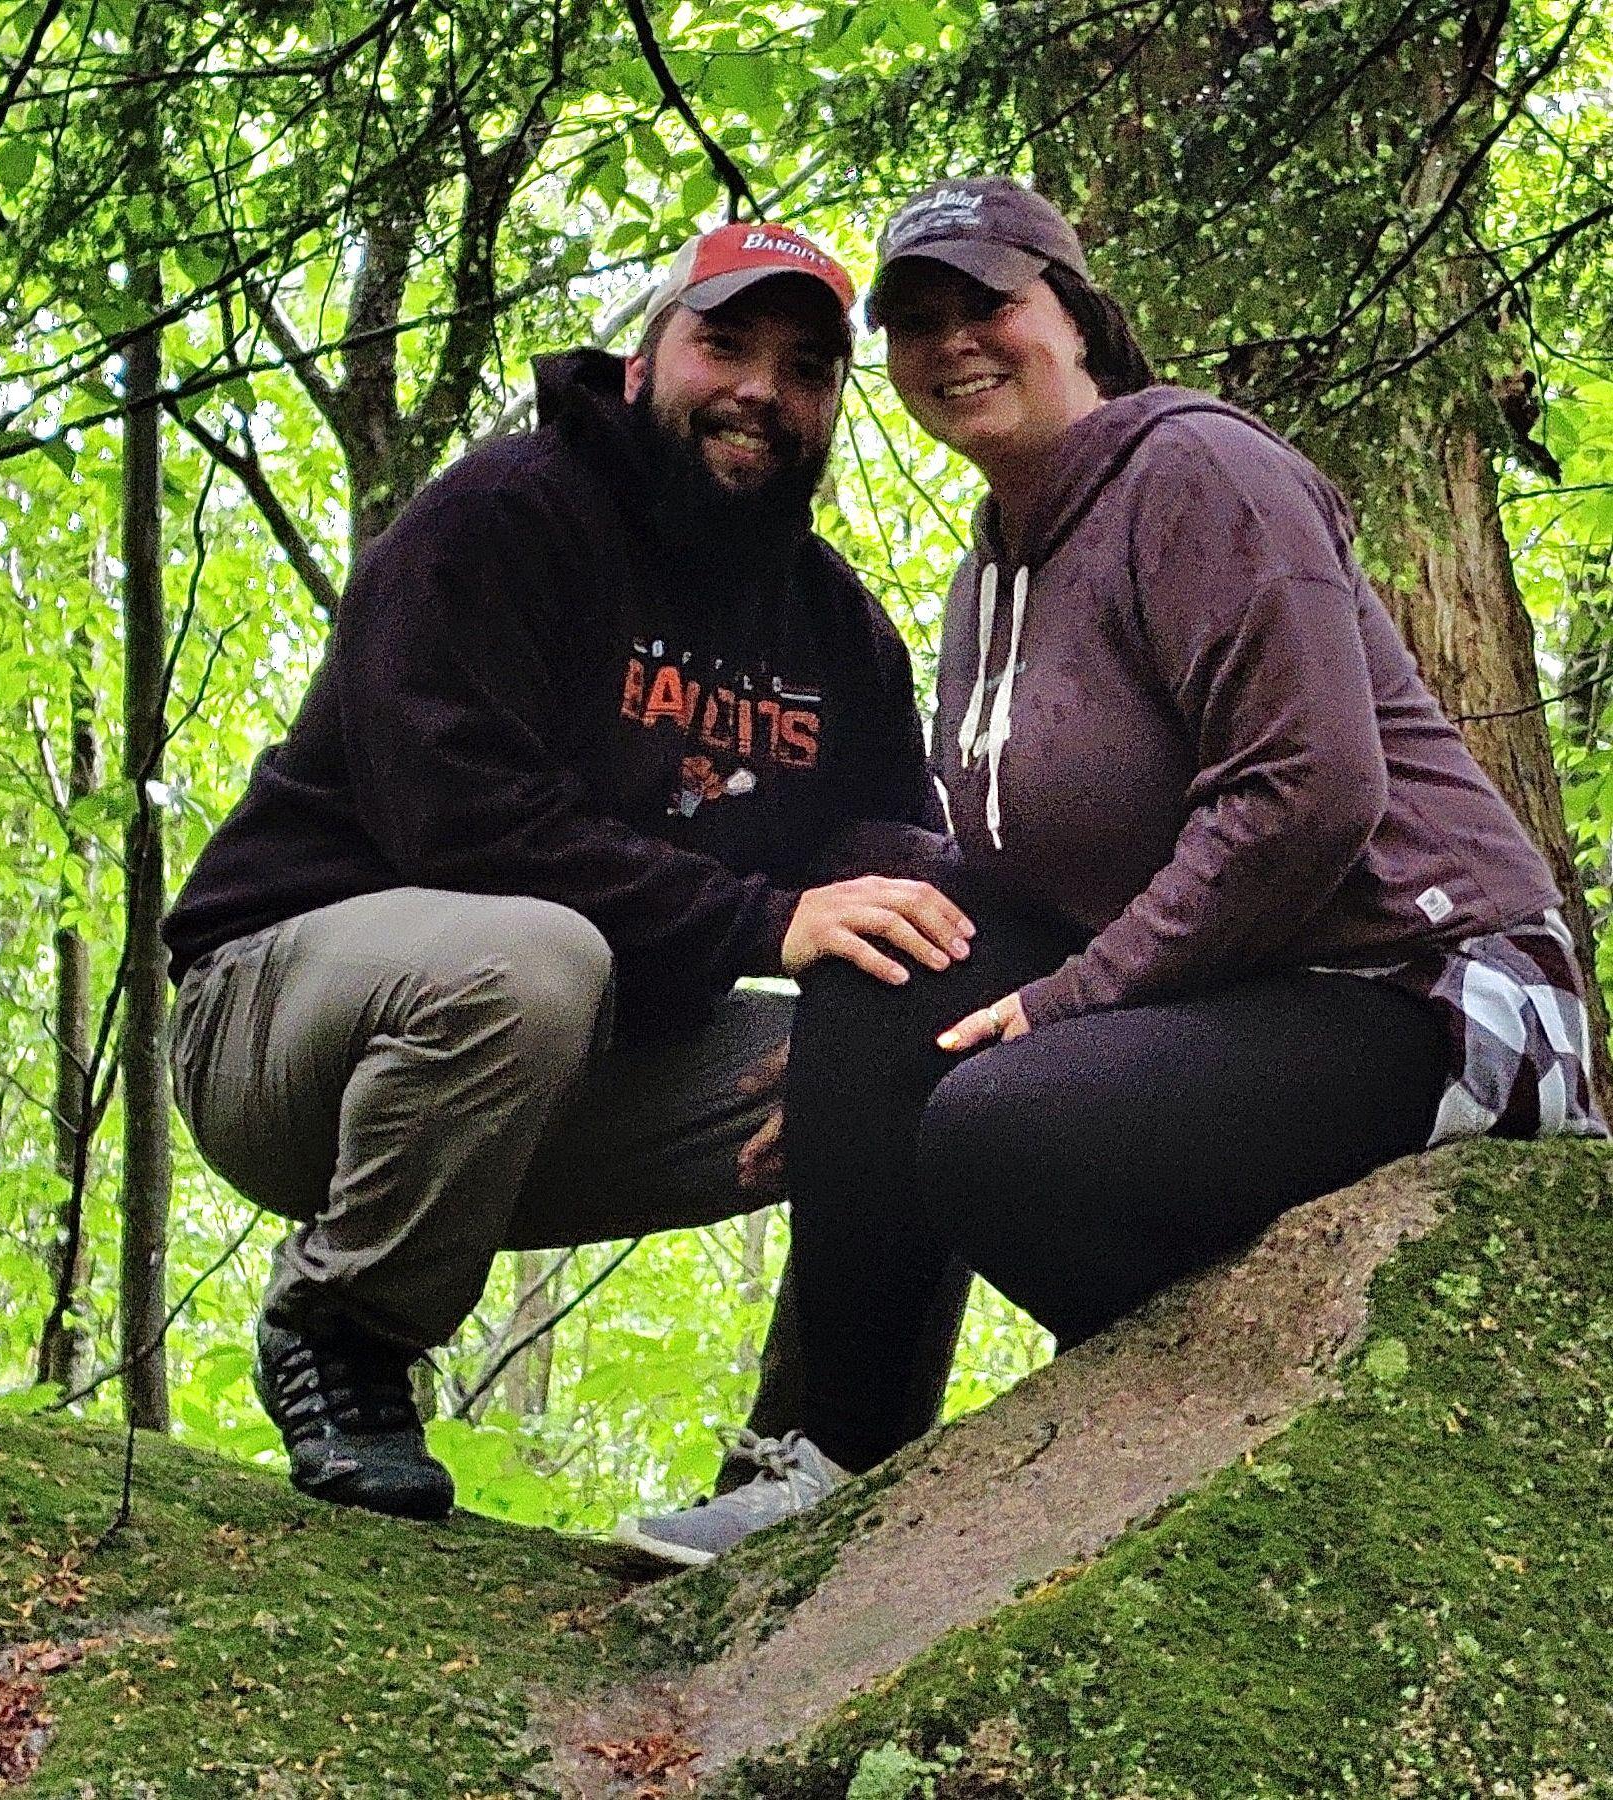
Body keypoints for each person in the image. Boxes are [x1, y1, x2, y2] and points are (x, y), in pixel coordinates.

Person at [617, 177, 1606, 1566]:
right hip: (1245, 994)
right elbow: (1012, 872)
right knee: (875, 940)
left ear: (1072, 318)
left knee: (1002, 1131)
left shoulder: (1199, 473)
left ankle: (1238, 1439)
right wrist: (854, 1068)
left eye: (989, 305)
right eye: (915, 322)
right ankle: (832, 1462)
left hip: (1438, 986)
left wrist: (1080, 1000)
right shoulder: (991, 572)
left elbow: (1309, 792)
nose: (955, 343)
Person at [162, 220, 981, 1520]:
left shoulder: (837, 636)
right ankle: (344, 1332)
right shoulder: (502, 521)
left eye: (807, 368)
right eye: (725, 343)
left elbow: (893, 878)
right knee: (538, 953)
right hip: (281, 1032)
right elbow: (467, 824)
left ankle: (818, 1469)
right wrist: (767, 923)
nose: (762, 391)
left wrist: (874, 1058)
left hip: (578, 1078)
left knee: (927, 1051)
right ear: (645, 361)